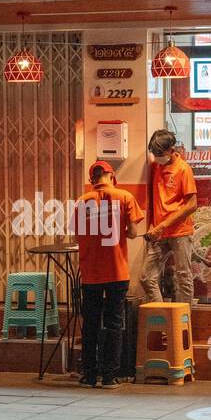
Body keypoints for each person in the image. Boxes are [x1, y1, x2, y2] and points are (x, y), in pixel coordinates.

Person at [71, 160, 143, 388]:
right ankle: (110, 376)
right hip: (116, 270)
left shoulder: (82, 202)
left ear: (92, 179)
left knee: (91, 322)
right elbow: (132, 233)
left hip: (91, 271)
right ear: (111, 176)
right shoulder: (125, 197)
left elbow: (76, 236)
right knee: (114, 323)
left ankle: (90, 375)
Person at [140, 129, 197, 306]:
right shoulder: (157, 166)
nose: (157, 157)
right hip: (158, 232)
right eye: (154, 153)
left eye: (160, 153)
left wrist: (163, 225)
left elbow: (192, 204)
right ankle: (163, 316)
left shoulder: (183, 169)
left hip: (180, 232)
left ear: (171, 149)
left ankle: (182, 323)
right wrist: (152, 225)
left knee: (184, 278)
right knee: (146, 277)